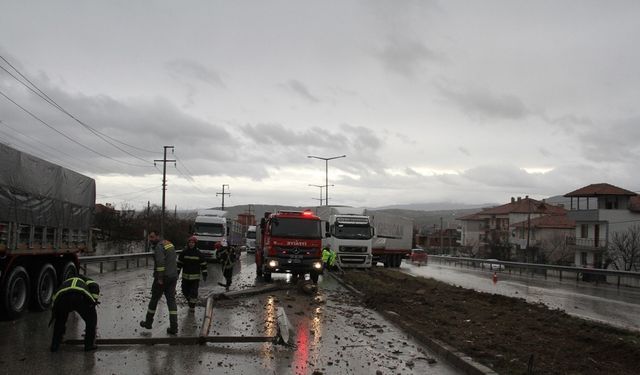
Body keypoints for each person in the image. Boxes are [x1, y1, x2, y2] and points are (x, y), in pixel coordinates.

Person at [139, 230, 179, 335]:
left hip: (163, 277)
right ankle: (174, 327)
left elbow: (160, 262)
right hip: (172, 277)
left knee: (154, 299)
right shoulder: (169, 244)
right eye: (149, 237)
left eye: (152, 237)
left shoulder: (159, 247)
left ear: (158, 236)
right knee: (171, 301)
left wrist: (160, 277)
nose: (150, 239)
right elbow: (173, 260)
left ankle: (148, 322)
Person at [50, 275, 100, 352]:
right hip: (80, 297)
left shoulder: (65, 282)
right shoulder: (87, 280)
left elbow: (55, 296)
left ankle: (55, 345)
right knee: (91, 320)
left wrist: (56, 311)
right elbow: (95, 286)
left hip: (63, 298)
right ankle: (89, 345)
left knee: (60, 321)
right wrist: (94, 300)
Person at [177, 235, 208, 311]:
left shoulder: (198, 253)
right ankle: (190, 300)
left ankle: (192, 307)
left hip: (195, 278)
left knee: (194, 292)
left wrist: (204, 275)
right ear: (188, 243)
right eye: (190, 242)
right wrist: (177, 273)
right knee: (184, 291)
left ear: (195, 244)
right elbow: (179, 264)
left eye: (193, 242)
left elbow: (203, 265)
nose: (191, 244)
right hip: (185, 277)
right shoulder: (184, 252)